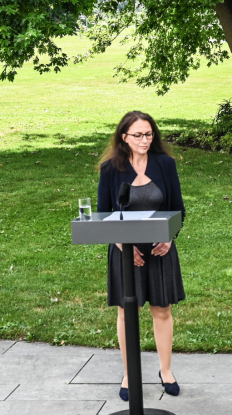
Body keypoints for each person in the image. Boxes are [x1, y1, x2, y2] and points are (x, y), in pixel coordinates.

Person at [97, 111, 186, 401]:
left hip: (160, 250)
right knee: (127, 312)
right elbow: (103, 213)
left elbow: (178, 210)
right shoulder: (111, 169)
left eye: (148, 134)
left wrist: (169, 237)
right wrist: (122, 244)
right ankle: (128, 374)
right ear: (124, 137)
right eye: (138, 135)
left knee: (162, 309)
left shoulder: (166, 164)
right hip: (125, 251)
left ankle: (166, 371)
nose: (144, 140)